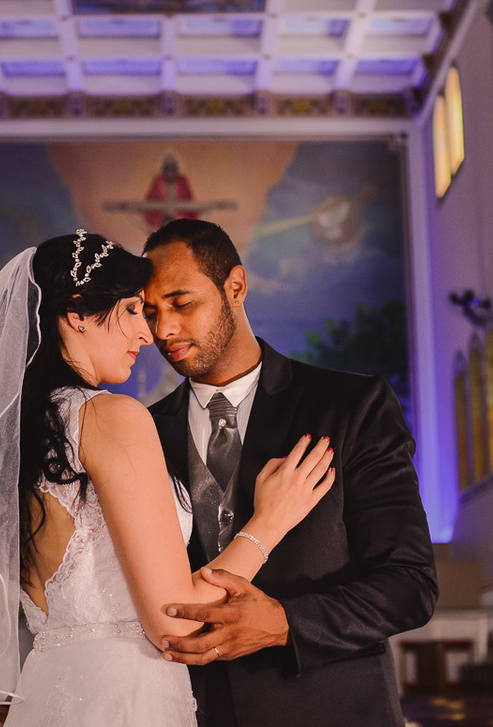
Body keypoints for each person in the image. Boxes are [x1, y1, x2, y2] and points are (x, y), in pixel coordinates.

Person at [0, 232, 335, 725]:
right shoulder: (111, 417)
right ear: (77, 313)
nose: (148, 335)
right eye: (134, 311)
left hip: (47, 689)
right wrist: (270, 522)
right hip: (123, 700)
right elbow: (172, 620)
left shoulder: (31, 432)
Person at [142, 219, 437, 726]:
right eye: (150, 312)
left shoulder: (350, 407)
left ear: (235, 286)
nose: (163, 330)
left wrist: (284, 624)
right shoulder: (142, 435)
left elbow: (410, 585)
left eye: (182, 303)